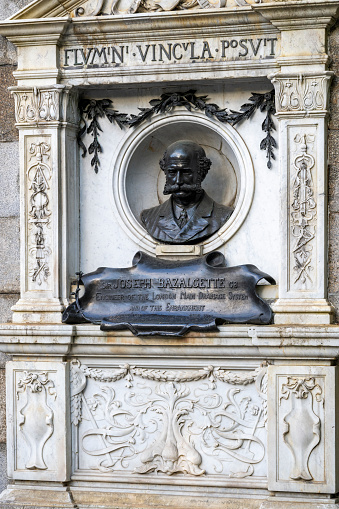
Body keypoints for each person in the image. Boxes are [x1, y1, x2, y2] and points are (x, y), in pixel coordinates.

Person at [141, 140, 234, 244]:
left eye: (186, 172)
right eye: (172, 172)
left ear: (202, 173)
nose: (178, 181)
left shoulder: (223, 215)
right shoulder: (149, 217)